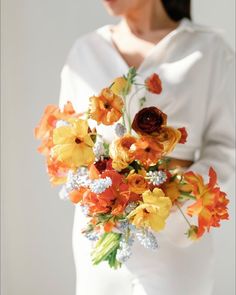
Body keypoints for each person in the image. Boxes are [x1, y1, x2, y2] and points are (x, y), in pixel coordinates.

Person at [59, 1, 235, 294]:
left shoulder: (209, 49)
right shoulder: (85, 52)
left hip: (176, 241)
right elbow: (63, 142)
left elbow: (226, 145)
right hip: (102, 239)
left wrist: (180, 196)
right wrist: (99, 196)